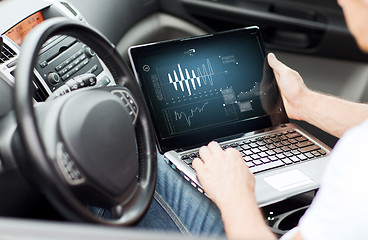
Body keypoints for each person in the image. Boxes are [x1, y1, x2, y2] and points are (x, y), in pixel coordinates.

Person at [95, 0, 368, 238]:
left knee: (123, 155)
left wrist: (234, 194)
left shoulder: (356, 160)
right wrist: (304, 103)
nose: (342, 2)